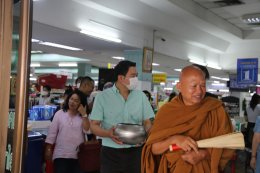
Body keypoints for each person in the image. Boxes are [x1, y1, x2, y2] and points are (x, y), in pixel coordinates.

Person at [142, 65, 234, 173]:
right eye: (194, 86)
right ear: (179, 86)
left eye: (203, 85)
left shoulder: (216, 109)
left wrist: (204, 154)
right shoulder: (167, 111)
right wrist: (174, 139)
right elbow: (153, 148)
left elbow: (229, 144)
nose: (199, 91)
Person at [89, 60, 154, 173]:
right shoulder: (102, 97)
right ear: (121, 78)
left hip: (136, 152)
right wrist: (108, 133)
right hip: (111, 153)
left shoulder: (141, 97)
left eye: (136, 76)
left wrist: (146, 135)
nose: (136, 79)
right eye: (133, 76)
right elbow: (94, 126)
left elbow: (148, 122)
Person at [44, 90, 90, 173]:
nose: (72, 102)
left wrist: (84, 114)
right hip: (61, 154)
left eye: (76, 101)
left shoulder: (83, 117)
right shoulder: (59, 114)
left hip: (78, 155)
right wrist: (48, 148)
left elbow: (87, 130)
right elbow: (52, 133)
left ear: (81, 103)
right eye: (71, 99)